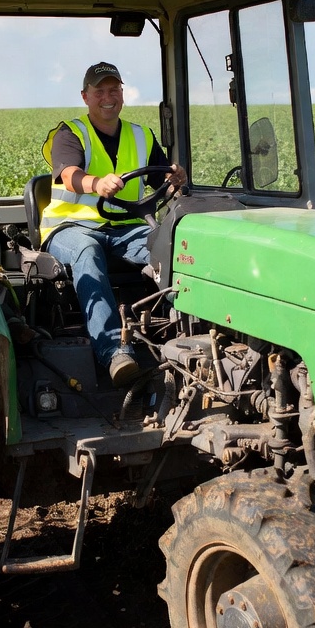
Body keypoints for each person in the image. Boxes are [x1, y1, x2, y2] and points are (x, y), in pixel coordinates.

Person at [40, 61, 187, 388]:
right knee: (87, 250)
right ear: (86, 96)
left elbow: (162, 176)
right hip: (69, 229)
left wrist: (174, 178)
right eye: (100, 91)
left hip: (126, 230)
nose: (108, 97)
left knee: (169, 243)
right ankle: (113, 351)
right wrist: (95, 184)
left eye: (114, 90)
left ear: (122, 93)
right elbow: (69, 175)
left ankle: (185, 333)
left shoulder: (141, 135)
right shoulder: (70, 133)